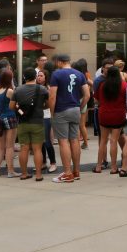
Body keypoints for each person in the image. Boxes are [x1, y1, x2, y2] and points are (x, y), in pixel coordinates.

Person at [48, 53, 90, 183]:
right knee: (74, 140)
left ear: (60, 62)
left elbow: (52, 96)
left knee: (63, 141)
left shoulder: (56, 74)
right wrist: (80, 105)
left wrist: (52, 112)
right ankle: (76, 171)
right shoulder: (79, 74)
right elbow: (87, 94)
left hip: (61, 110)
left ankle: (67, 172)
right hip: (75, 109)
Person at [11, 67, 48, 182]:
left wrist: (19, 110)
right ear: (35, 77)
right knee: (37, 149)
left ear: (24, 77)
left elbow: (11, 106)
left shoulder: (17, 90)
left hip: (22, 123)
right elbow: (49, 104)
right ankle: (38, 175)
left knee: (24, 149)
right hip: (37, 122)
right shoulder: (42, 89)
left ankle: (24, 174)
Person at [93, 65, 127, 174]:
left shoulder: (102, 85)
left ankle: (98, 166)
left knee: (103, 141)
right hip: (118, 114)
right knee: (114, 140)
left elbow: (96, 99)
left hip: (104, 114)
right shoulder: (123, 85)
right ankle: (113, 167)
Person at [0, 68, 18, 177]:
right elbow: (15, 104)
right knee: (10, 146)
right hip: (10, 118)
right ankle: (10, 171)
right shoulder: (9, 91)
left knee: (1, 147)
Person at [37, 67, 57, 173]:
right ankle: (43, 162)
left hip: (46, 115)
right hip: (37, 116)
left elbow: (50, 103)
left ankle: (53, 163)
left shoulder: (48, 88)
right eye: (38, 75)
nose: (39, 77)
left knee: (47, 141)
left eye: (41, 75)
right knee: (40, 142)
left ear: (45, 77)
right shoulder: (35, 87)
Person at [74, 58, 92, 150]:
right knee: (82, 125)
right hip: (84, 99)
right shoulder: (84, 76)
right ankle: (85, 143)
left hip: (76, 100)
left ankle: (76, 144)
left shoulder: (74, 76)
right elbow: (92, 84)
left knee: (75, 125)